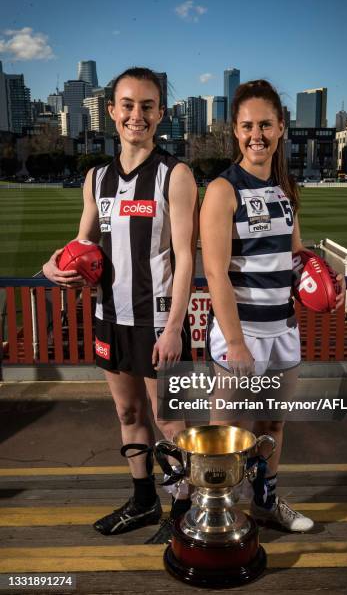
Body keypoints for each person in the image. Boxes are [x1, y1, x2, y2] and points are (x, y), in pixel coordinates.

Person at [43, 67, 198, 541]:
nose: (137, 115)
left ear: (160, 114)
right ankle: (144, 501)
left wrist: (174, 328)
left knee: (170, 420)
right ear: (111, 112)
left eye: (147, 106)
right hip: (109, 317)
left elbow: (187, 259)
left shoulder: (176, 174)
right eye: (128, 105)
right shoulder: (97, 178)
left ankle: (183, 509)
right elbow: (81, 243)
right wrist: (52, 266)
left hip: (158, 324)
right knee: (129, 415)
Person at [200, 79, 345, 532]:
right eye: (247, 126)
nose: (256, 134)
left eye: (265, 124)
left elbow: (296, 255)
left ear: (282, 127)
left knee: (272, 426)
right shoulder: (224, 190)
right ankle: (211, 511)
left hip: (282, 329)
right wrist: (238, 343)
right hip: (238, 333)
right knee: (224, 427)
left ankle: (265, 504)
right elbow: (216, 273)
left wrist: (324, 279)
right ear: (236, 132)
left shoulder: (285, 187)